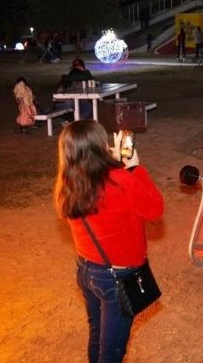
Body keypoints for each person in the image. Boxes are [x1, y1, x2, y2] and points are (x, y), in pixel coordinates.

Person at [54, 120, 164, 363]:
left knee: (97, 337)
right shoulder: (119, 179)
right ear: (102, 145)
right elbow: (155, 209)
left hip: (86, 271)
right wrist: (134, 168)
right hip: (115, 279)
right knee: (111, 352)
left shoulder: (68, 181)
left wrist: (113, 165)